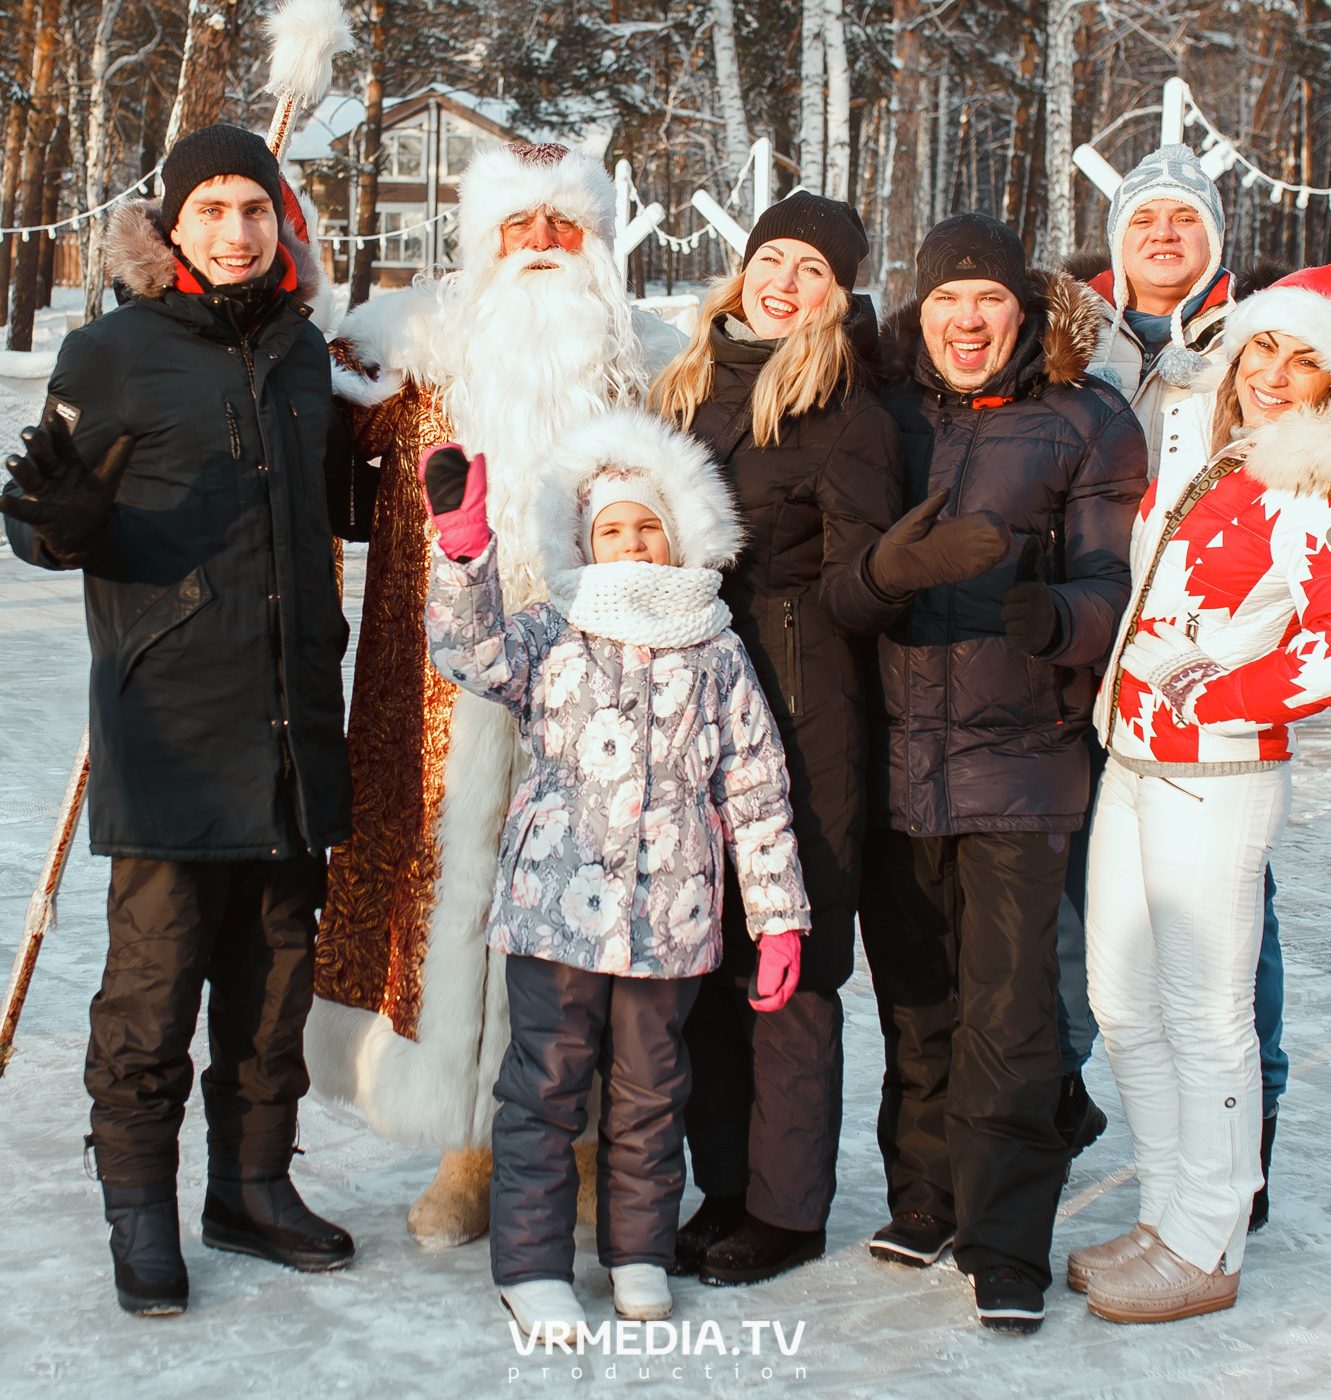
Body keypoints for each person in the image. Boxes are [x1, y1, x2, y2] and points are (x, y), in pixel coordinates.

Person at [0, 122, 359, 1316]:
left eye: (254, 209)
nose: (236, 231)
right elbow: (46, 523)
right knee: (153, 996)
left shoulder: (307, 355)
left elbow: (340, 505)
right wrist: (64, 522)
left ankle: (251, 1187)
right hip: (171, 725)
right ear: (171, 225)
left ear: (280, 222)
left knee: (274, 986)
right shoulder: (113, 352)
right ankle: (140, 1209)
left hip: (293, 722)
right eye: (210, 209)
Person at [307, 143, 687, 1250]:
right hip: (438, 687)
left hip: (606, 690)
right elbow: (301, 443)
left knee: (592, 909)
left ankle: (575, 1145)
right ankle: (469, 1145)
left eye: (561, 227)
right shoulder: (403, 359)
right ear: (481, 244)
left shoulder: (655, 368)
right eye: (516, 227)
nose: (538, 248)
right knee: (455, 903)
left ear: (599, 242)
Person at [1073, 261, 1331, 1324]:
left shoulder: (1316, 485)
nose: (1276, 375)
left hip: (1216, 776)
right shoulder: (1213, 452)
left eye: (1306, 360)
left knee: (1203, 1011)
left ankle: (1208, 1242)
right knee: (1122, 1000)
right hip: (1134, 760)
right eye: (1265, 349)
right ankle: (1166, 1213)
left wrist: (1221, 696)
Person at [415, 410, 810, 1335]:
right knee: (546, 1083)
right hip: (555, 907)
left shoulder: (715, 645)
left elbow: (754, 787)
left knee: (649, 1091)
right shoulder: (555, 627)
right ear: (584, 542)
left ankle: (637, 1250)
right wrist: (465, 551)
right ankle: (533, 1263)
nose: (631, 545)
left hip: (672, 915)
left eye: (647, 527)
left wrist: (780, 915)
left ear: (678, 534)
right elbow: (469, 654)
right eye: (611, 530)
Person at [856, 215, 1147, 1332]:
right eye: (945, 302)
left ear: (1021, 309)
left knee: (1013, 1013)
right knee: (916, 997)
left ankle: (1007, 1239)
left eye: (987, 300)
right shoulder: (885, 415)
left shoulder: (1085, 419)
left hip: (1023, 760)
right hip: (896, 756)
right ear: (919, 313)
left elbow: (1116, 580)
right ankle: (926, 1199)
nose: (967, 320)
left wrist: (1063, 614)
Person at [651, 192, 913, 1286]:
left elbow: (863, 590)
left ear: (840, 292)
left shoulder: (848, 408)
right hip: (684, 712)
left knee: (787, 963)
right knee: (705, 953)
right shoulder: (683, 382)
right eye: (774, 259)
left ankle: (789, 1206)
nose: (786, 281)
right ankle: (726, 1185)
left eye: (813, 268)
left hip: (803, 713)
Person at [1071, 143, 1298, 1230]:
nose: (1165, 236)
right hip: (1078, 672)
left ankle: (1235, 1155)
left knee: (1224, 937)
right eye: (1145, 218)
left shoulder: (1258, 346)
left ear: (1215, 241)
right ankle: (1092, 1125)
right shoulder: (1072, 342)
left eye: (1187, 220)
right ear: (1117, 237)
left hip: (1202, 692)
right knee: (1094, 929)